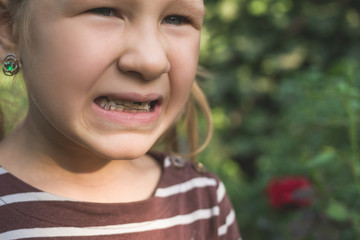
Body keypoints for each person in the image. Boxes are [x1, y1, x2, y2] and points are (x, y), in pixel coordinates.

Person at [0, 0, 241, 239]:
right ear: (9, 28)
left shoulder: (204, 200)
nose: (152, 61)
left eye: (175, 19)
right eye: (104, 11)